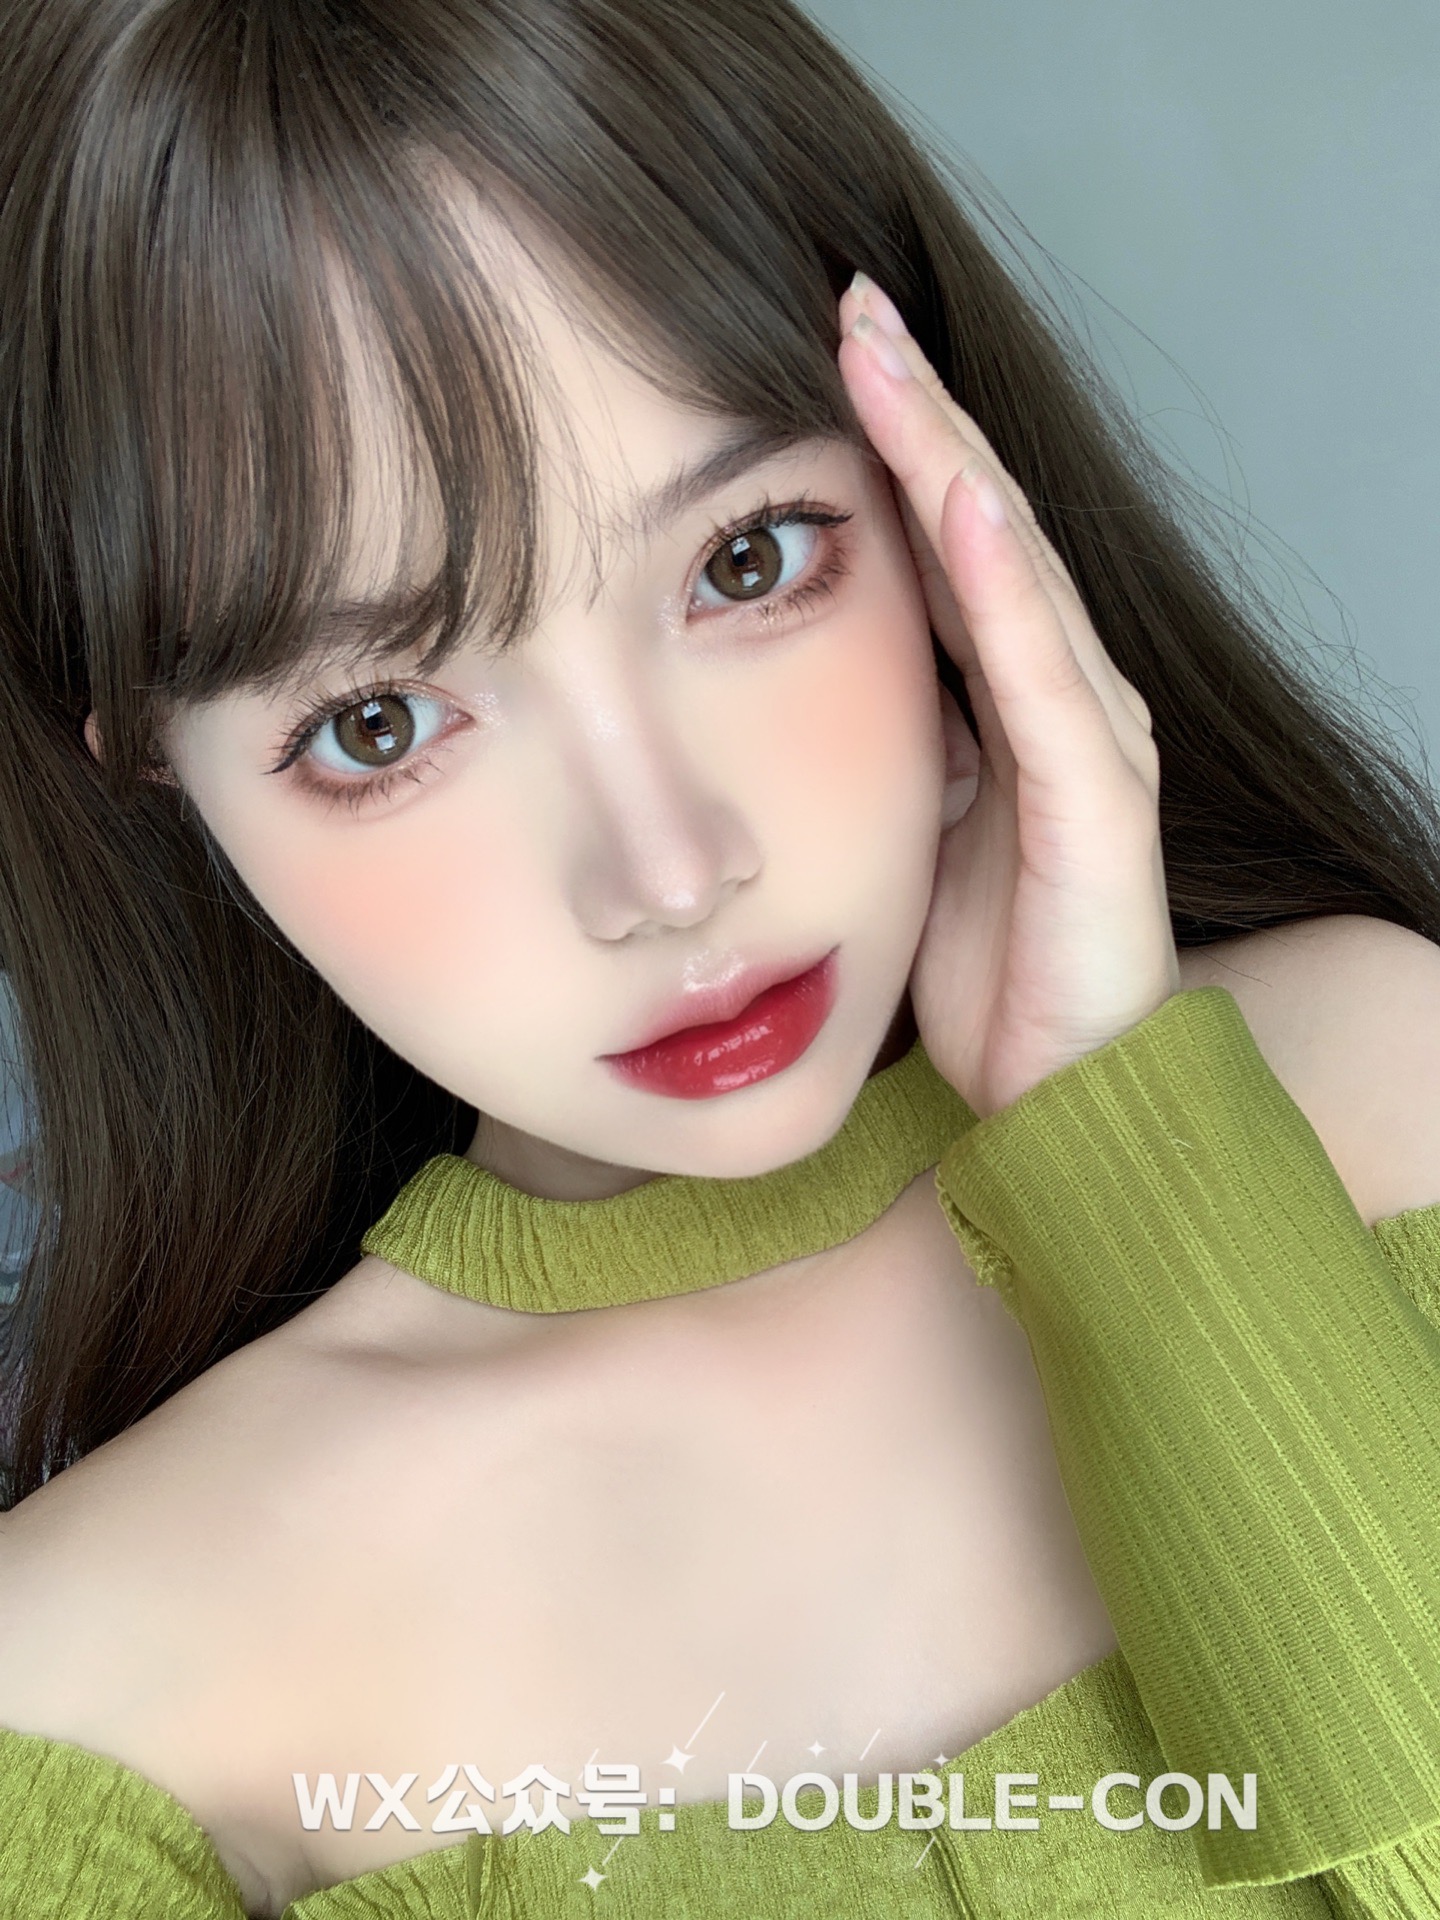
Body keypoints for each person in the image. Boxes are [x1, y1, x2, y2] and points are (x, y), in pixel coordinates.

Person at [0, 1, 1437, 1915]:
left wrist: (1142, 1148)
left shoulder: (1377, 1098)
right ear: (156, 772)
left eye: (747, 561)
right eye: (378, 722)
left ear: (934, 486)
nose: (671, 874)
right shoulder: (86, 1702)